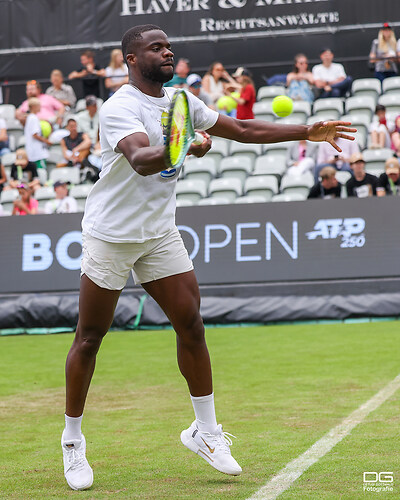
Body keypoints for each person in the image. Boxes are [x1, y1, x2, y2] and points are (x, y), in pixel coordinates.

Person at [60, 24, 356, 492]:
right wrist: (183, 145)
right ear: (131, 60)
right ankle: (72, 441)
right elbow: (140, 158)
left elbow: (239, 128)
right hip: (111, 236)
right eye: (155, 47)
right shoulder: (119, 106)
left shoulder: (180, 100)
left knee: (192, 324)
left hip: (158, 233)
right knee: (91, 338)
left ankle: (206, 432)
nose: (167, 51)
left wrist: (307, 130)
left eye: (168, 45)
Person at [24, 98, 52, 170]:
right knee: (41, 172)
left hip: (32, 151)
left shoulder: (30, 117)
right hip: (37, 152)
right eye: (39, 105)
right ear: (33, 107)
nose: (40, 107)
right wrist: (46, 141)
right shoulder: (34, 118)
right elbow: (35, 134)